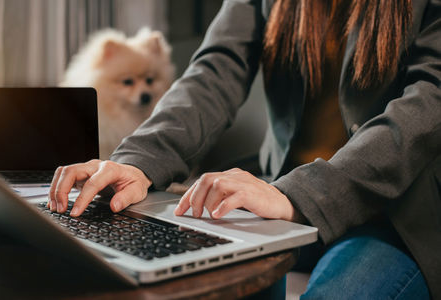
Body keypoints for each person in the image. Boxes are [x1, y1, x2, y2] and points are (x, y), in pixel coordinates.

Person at [48, 0, 440, 298]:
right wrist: (138, 161)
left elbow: (429, 101)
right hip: (282, 199)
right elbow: (215, 71)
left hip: (396, 214)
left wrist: (300, 195)